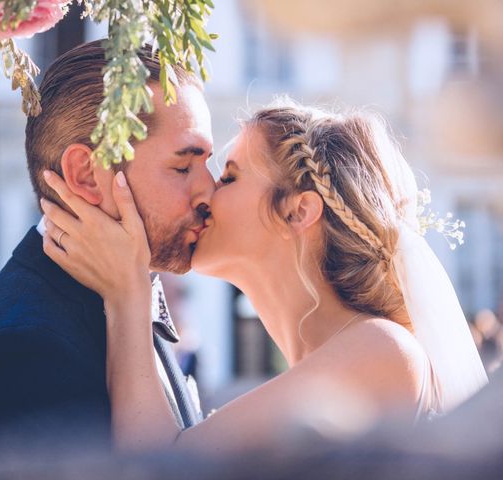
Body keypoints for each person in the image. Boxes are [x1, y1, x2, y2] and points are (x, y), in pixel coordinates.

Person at [40, 99, 489, 455]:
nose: (206, 193)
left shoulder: (383, 352)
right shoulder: (342, 357)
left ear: (298, 211)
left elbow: (161, 469)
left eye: (230, 177)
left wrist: (127, 294)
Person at [0, 39, 213, 471]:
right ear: (85, 174)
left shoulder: (117, 299)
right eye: (183, 167)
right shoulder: (24, 353)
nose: (210, 191)